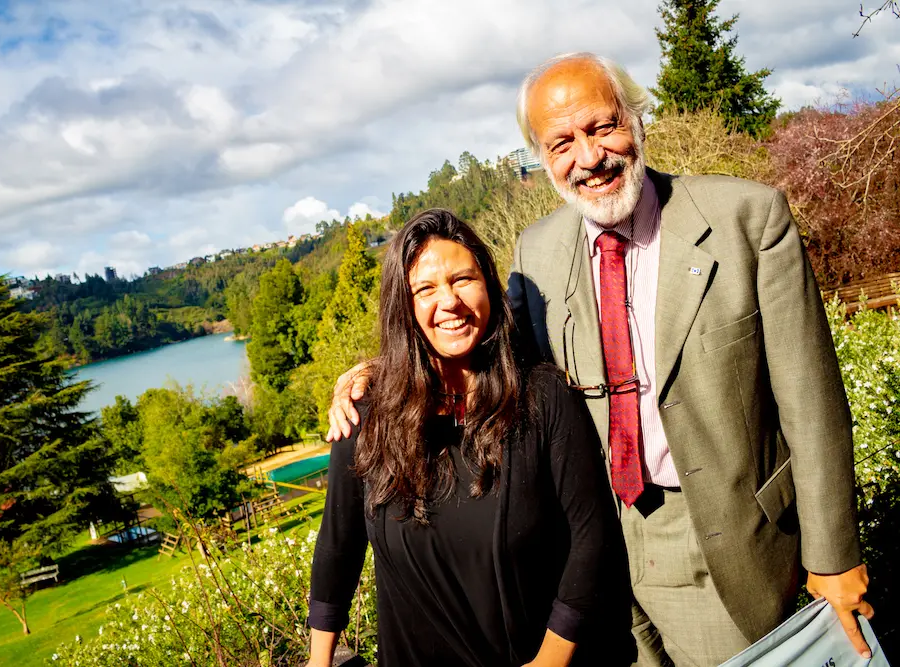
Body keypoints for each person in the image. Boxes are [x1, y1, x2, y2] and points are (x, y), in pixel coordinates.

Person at [326, 53, 873, 667]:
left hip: (718, 539)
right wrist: (381, 373)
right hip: (587, 555)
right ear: (542, 157)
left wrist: (834, 556)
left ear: (636, 119)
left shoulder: (747, 218)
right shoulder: (536, 252)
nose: (589, 157)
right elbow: (489, 353)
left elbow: (811, 399)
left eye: (602, 127)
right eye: (562, 143)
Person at [306, 209, 633, 667]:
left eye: (463, 279)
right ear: (403, 306)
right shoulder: (366, 415)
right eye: (425, 289)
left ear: (488, 286)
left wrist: (550, 661)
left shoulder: (543, 397)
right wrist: (318, 660)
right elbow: (337, 547)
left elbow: (593, 537)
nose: (450, 301)